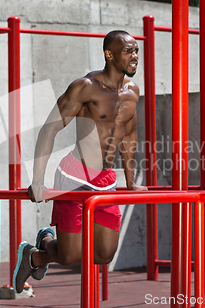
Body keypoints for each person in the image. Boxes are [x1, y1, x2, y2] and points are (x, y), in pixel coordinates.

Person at [13, 30, 147, 293]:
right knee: (68, 257)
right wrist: (37, 181)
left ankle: (35, 255)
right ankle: (41, 248)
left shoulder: (133, 91)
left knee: (104, 256)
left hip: (106, 180)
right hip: (75, 174)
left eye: (136, 51)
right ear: (109, 54)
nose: (135, 56)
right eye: (128, 51)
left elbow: (129, 136)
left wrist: (131, 183)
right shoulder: (85, 87)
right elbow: (49, 129)